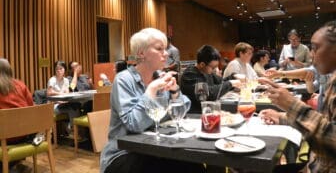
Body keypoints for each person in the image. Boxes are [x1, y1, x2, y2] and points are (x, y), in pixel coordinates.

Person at [100, 28, 205, 173]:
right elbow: (134, 124)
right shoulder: (124, 79)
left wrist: (175, 92)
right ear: (141, 53)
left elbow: (182, 110)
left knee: (195, 166)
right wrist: (150, 91)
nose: (166, 53)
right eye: (159, 49)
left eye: (165, 48)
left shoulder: (160, 76)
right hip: (125, 153)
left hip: (157, 148)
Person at [260, 20, 336, 173]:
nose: (312, 55)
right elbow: (325, 122)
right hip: (315, 164)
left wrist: (292, 105)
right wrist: (282, 117)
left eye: (315, 48)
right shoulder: (332, 79)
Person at [180, 45, 241, 113]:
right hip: (195, 114)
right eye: (213, 67)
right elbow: (209, 94)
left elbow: (221, 82)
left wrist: (234, 77)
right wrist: (230, 83)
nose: (216, 70)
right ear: (202, 64)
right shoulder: (189, 75)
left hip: (208, 110)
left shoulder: (207, 72)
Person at [0, 58, 34, 173]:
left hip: (4, 139)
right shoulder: (21, 85)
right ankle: (15, 164)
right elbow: (31, 108)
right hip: (25, 135)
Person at [47, 60, 80, 133]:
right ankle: (72, 129)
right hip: (53, 105)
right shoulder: (52, 80)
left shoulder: (66, 80)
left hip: (63, 104)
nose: (59, 71)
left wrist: (64, 97)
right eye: (57, 69)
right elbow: (49, 92)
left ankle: (72, 128)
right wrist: (60, 93)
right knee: (73, 108)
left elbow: (67, 93)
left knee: (75, 106)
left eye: (61, 68)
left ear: (64, 69)